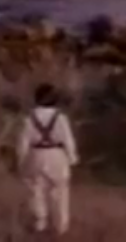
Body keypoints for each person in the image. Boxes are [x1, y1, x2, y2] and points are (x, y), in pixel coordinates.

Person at [16, 82, 79, 235]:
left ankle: (39, 223)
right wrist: (72, 158)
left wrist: (21, 161)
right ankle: (60, 227)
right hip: (57, 155)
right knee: (60, 192)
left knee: (35, 190)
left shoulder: (29, 119)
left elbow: (23, 142)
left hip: (36, 155)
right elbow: (68, 139)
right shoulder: (61, 118)